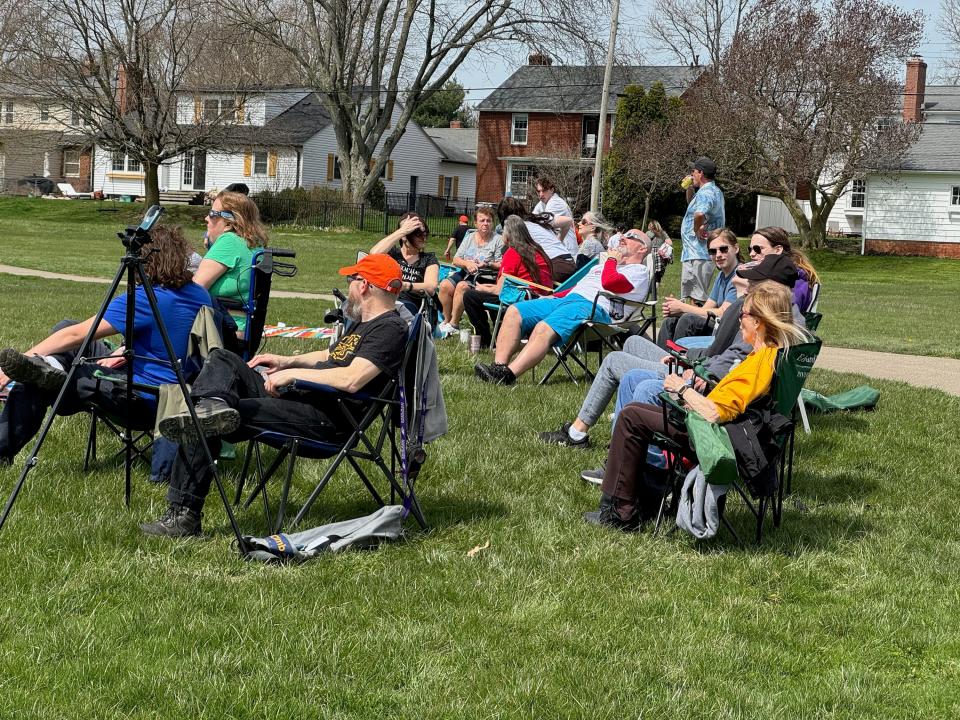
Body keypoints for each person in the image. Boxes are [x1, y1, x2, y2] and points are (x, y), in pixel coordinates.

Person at [142, 254, 409, 538]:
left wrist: (294, 376)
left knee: (208, 418)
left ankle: (184, 516)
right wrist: (286, 361)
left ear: (364, 285)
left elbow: (351, 379)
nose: (348, 286)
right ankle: (211, 406)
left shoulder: (390, 329)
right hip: (305, 398)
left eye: (351, 280)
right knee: (223, 360)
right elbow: (332, 356)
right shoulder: (365, 322)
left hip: (327, 420)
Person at [584, 280, 810, 530]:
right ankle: (641, 501)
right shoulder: (765, 354)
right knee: (636, 411)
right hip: (716, 428)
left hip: (715, 437)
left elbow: (716, 413)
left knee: (631, 417)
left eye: (743, 314)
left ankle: (622, 512)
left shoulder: (760, 363)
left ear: (758, 322)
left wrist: (682, 390)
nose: (739, 320)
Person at [537, 252, 802, 456]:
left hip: (700, 381)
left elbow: (730, 363)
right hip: (699, 367)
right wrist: (684, 357)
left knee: (614, 361)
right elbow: (723, 354)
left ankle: (579, 434)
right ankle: (617, 443)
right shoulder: (776, 316)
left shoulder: (761, 322)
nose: (747, 280)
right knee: (632, 343)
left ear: (771, 286)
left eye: (755, 278)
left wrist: (692, 367)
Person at [0, 226, 212, 465]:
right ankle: (49, 367)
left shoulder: (147, 298)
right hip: (177, 391)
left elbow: (77, 334)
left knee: (38, 378)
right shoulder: (200, 294)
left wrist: (23, 358)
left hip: (140, 397)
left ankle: (4, 445)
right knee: (65, 329)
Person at [475, 229, 650, 386]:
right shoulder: (606, 266)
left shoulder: (638, 271)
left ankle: (507, 376)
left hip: (595, 308)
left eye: (631, 237)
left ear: (642, 249)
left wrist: (611, 260)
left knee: (543, 328)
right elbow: (578, 287)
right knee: (515, 311)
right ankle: (498, 367)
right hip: (569, 300)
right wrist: (554, 296)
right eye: (624, 235)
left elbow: (610, 282)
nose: (623, 238)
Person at [461, 216, 554, 349]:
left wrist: (482, 289)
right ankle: (499, 337)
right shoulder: (537, 249)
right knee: (490, 296)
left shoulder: (513, 252)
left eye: (503, 232)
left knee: (470, 296)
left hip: (522, 298)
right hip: (541, 297)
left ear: (508, 235)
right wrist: (487, 287)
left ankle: (485, 341)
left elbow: (500, 291)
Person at [193, 190, 269, 334]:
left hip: (220, 331)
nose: (206, 218)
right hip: (239, 328)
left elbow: (195, 288)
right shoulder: (252, 244)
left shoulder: (229, 241)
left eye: (212, 214)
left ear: (228, 224)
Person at [657, 228, 742, 347]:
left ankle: (679, 362)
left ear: (736, 248)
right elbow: (706, 308)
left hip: (727, 333)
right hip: (716, 325)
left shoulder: (740, 277)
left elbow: (723, 313)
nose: (718, 255)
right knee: (670, 321)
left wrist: (682, 307)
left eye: (723, 249)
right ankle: (662, 361)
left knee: (689, 320)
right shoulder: (722, 276)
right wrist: (678, 310)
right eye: (713, 251)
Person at [437, 207, 504, 336]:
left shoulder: (498, 240)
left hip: (484, 275)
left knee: (462, 286)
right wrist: (467, 263)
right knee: (445, 285)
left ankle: (454, 324)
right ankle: (446, 321)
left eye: (488, 221)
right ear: (476, 223)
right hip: (465, 271)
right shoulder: (469, 237)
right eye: (482, 220)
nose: (485, 224)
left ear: (493, 222)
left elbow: (502, 264)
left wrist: (488, 264)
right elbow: (456, 259)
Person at [369, 212, 439, 315]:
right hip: (384, 301)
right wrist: (402, 231)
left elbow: (431, 286)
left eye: (425, 233)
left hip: (409, 307)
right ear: (404, 236)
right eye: (418, 233)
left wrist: (406, 286)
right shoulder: (392, 253)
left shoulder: (428, 259)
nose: (423, 237)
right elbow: (374, 254)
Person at [497, 196, 576, 283]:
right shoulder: (539, 218)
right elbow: (568, 221)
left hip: (554, 265)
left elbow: (511, 251)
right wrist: (559, 241)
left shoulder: (518, 227)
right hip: (570, 262)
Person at [679, 156, 725, 304]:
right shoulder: (709, 191)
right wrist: (690, 188)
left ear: (701, 173)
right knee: (693, 297)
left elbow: (699, 213)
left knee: (697, 299)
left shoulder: (707, 193)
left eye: (693, 172)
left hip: (699, 254)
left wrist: (696, 229)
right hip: (694, 253)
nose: (691, 175)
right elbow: (694, 207)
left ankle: (696, 325)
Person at [748, 227, 820, 311]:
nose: (751, 254)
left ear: (778, 250)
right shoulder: (769, 276)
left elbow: (783, 318)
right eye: (750, 249)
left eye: (758, 249)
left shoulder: (795, 282)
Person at [532, 176, 577, 256]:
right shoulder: (542, 203)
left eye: (544, 190)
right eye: (538, 191)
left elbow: (543, 223)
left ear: (552, 190)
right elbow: (532, 220)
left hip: (567, 250)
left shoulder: (555, 202)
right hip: (558, 249)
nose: (541, 194)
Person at [646, 220, 673, 284]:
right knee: (659, 273)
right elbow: (670, 243)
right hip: (660, 254)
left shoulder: (647, 233)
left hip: (650, 253)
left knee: (650, 270)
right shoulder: (662, 233)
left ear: (650, 226)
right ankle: (656, 285)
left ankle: (650, 285)